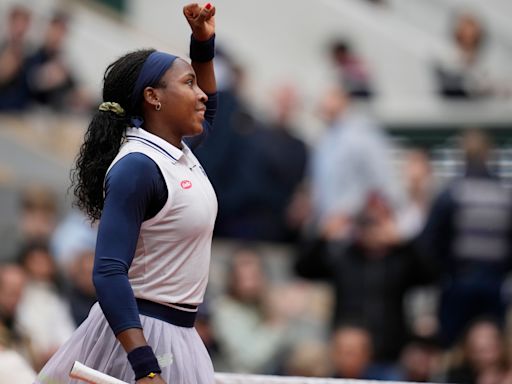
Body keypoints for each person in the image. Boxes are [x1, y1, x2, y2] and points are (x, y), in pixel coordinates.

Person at [35, 3, 218, 383]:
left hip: (177, 332)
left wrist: (202, 44)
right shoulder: (138, 167)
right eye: (188, 83)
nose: (201, 94)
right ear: (153, 97)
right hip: (141, 336)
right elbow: (107, 271)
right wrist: (145, 366)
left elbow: (211, 109)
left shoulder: (176, 153)